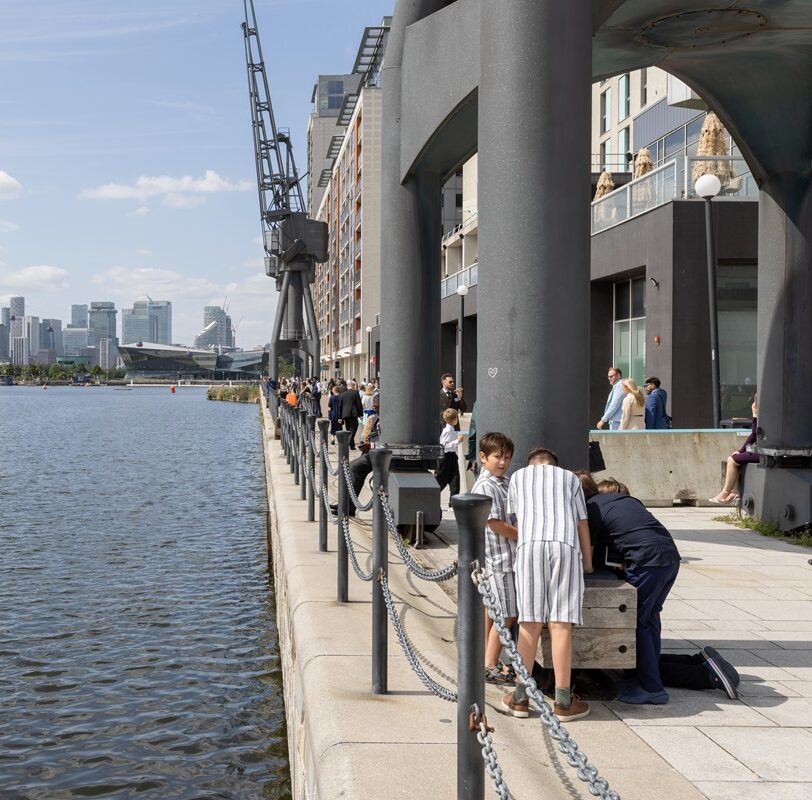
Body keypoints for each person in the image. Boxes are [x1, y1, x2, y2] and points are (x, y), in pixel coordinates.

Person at [577, 473, 741, 701]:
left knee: (636, 621)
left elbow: (589, 556)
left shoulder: (591, 509)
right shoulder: (622, 501)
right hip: (669, 557)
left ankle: (651, 689)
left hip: (647, 562)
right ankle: (679, 669)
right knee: (650, 618)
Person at [502, 448, 593, 721]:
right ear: (554, 464)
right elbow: (582, 524)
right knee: (561, 623)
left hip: (529, 548)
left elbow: (517, 517)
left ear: (531, 464)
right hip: (564, 547)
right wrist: (587, 563)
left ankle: (520, 697)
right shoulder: (570, 479)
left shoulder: (518, 477)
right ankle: (563, 701)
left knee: (529, 622)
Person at [471, 432, 518, 686]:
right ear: (483, 457)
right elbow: (495, 523)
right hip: (501, 559)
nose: (503, 462)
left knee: (492, 611)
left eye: (507, 457)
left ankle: (484, 659)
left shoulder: (503, 481)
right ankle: (489, 663)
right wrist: (522, 535)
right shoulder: (487, 485)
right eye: (498, 457)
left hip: (499, 558)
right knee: (507, 614)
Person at [710, 394, 759, 504]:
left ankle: (725, 492)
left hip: (763, 453)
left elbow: (754, 434)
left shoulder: (763, 416)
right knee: (734, 458)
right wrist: (741, 451)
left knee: (732, 460)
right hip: (763, 451)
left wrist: (755, 415)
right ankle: (734, 491)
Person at [435, 408, 464, 502]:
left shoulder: (451, 430)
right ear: (455, 419)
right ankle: (432, 496)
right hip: (446, 458)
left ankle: (453, 503)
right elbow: (443, 446)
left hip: (451, 457)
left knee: (455, 481)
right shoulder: (447, 430)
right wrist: (457, 441)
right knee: (441, 480)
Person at [340, 380, 364, 450]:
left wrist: (340, 416)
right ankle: (349, 441)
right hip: (354, 413)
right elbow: (358, 404)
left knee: (348, 429)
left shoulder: (343, 394)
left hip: (345, 414)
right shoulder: (356, 393)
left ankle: (352, 445)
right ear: (353, 386)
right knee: (354, 428)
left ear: (347, 386)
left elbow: (340, 405)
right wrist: (360, 414)